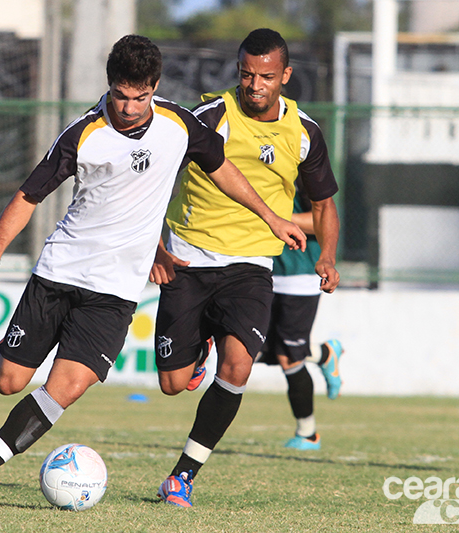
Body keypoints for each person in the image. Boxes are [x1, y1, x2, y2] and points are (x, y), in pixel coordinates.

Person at [0, 34, 307, 507]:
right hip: (61, 273)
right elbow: (28, 196)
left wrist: (272, 216)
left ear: (154, 87)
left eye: (141, 97)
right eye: (121, 95)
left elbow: (222, 169)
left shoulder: (179, 123)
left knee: (67, 388)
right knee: (11, 381)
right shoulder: (84, 134)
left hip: (114, 292)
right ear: (109, 86)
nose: (131, 107)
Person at [150, 28, 340, 507]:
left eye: (266, 76)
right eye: (247, 74)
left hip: (251, 266)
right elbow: (155, 176)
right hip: (189, 258)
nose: (255, 85)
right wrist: (154, 246)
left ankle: (183, 476)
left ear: (286, 76)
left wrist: (328, 255)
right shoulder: (212, 117)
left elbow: (324, 204)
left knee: (238, 367)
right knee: (173, 385)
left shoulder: (304, 131)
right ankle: (197, 349)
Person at [255, 180, 344, 451]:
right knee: (253, 350)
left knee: (288, 356)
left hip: (300, 276)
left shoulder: (305, 172)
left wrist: (273, 217)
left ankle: (308, 434)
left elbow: (324, 220)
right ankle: (322, 354)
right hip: (263, 272)